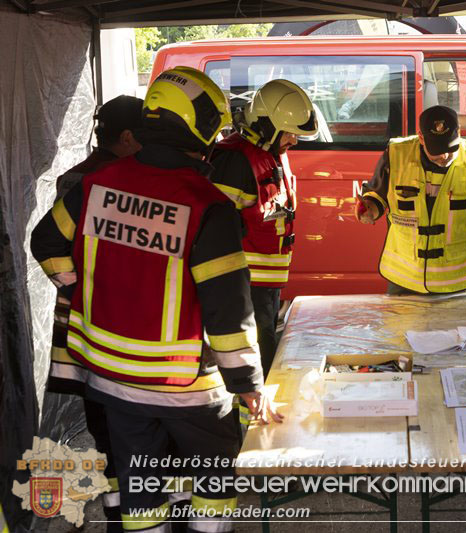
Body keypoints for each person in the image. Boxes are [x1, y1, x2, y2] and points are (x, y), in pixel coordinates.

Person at [31, 67, 281, 532]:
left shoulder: (94, 185)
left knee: (141, 488)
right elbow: (229, 311)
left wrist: (79, 286)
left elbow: (45, 242)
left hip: (113, 377)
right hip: (186, 385)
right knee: (211, 488)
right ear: (201, 126)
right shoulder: (207, 205)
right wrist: (247, 383)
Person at [44, 94, 143, 532]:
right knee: (130, 434)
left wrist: (81, 288)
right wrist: (91, 288)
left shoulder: (77, 179)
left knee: (106, 434)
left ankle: (121, 515)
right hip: (117, 335)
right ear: (126, 137)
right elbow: (52, 245)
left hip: (89, 340)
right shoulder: (109, 182)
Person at [210, 79, 317, 372]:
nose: (294, 141)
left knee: (266, 347)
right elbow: (215, 228)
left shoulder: (271, 153)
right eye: (290, 133)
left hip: (264, 284)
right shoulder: (233, 160)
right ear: (268, 125)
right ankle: (252, 416)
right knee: (256, 357)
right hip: (242, 284)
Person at [356, 105, 466, 296]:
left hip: (456, 282)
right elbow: (377, 196)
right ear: (421, 138)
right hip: (404, 279)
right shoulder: (396, 154)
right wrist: (369, 211)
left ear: (459, 133)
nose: (444, 156)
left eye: (450, 148)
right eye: (436, 150)